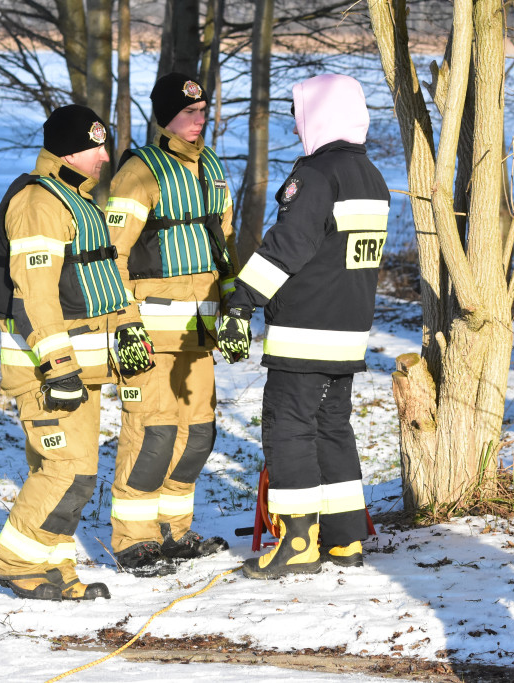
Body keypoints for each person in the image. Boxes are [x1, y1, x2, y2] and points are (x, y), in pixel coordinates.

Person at [218, 74, 390, 580]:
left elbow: (285, 249)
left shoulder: (315, 176)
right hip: (349, 329)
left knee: (288, 427)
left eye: (300, 112)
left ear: (320, 113)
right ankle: (343, 538)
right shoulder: (370, 175)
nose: (296, 124)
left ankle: (295, 542)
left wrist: (239, 304)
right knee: (332, 426)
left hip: (305, 329)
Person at [0, 104, 155, 600]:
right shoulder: (39, 202)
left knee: (76, 474)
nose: (106, 156)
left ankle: (55, 568)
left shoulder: (78, 200)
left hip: (80, 372)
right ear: (68, 150)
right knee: (66, 470)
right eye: (96, 146)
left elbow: (107, 278)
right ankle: (15, 564)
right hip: (47, 374)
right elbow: (35, 295)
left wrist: (129, 329)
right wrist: (57, 367)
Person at [104, 73, 237, 576]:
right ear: (164, 117)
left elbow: (223, 247)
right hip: (147, 335)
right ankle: (133, 541)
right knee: (152, 435)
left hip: (197, 337)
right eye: (188, 114)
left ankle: (174, 532)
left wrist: (233, 309)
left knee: (198, 435)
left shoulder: (212, 167)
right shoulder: (139, 172)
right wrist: (125, 324)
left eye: (203, 111)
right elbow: (109, 256)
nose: (198, 121)